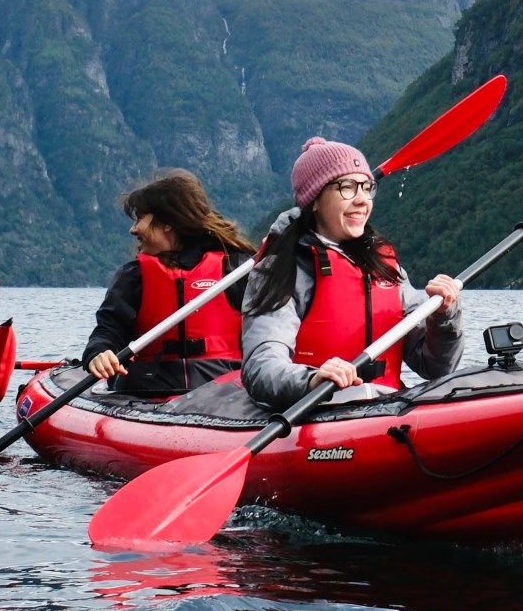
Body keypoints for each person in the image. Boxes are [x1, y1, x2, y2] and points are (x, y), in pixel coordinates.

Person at [239, 137, 465, 411]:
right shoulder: (282, 267)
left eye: (367, 187)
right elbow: (262, 365)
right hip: (315, 414)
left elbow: (436, 366)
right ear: (315, 201)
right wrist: (311, 380)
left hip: (388, 408)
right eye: (347, 187)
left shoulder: (384, 265)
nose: (362, 200)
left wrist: (444, 317)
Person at [81, 171, 255, 396]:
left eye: (140, 217)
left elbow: (268, 332)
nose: (133, 229)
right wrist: (100, 352)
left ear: (167, 223)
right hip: (149, 390)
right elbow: (109, 330)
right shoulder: (135, 276)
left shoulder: (236, 268)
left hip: (228, 392)